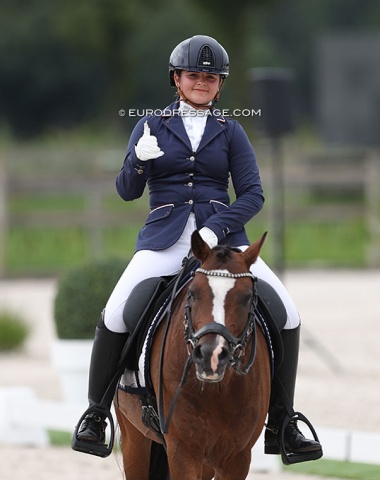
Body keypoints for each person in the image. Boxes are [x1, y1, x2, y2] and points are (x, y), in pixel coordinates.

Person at [72, 34, 322, 463]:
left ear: (220, 85)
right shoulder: (150, 125)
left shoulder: (232, 131)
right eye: (194, 75)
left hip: (224, 243)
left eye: (211, 77)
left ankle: (284, 421)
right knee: (115, 313)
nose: (202, 82)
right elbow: (126, 190)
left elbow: (252, 195)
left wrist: (215, 228)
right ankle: (96, 415)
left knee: (289, 312)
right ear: (177, 79)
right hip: (164, 239)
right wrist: (137, 159)